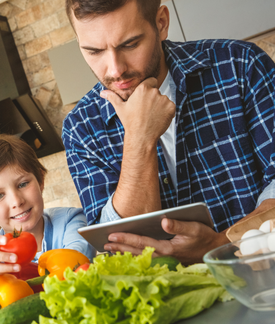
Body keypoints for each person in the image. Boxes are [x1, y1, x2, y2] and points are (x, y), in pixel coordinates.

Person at [62, 0, 275, 264]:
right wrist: (140, 138)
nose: (115, 69)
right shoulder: (80, 127)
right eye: (94, 51)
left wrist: (223, 243)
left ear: (161, 23)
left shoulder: (241, 66)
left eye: (129, 44)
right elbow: (118, 245)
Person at [0, 134, 96, 298]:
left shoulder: (71, 221)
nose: (16, 201)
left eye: (22, 184)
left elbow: (77, 264)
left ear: (41, 180)